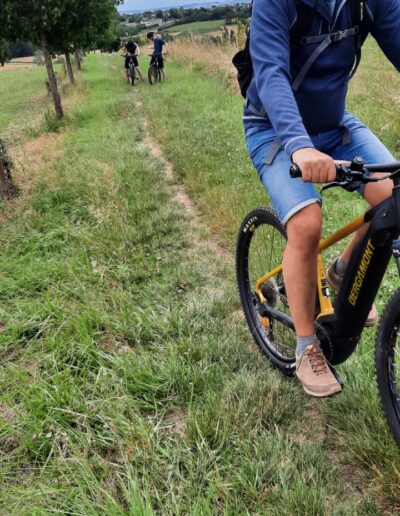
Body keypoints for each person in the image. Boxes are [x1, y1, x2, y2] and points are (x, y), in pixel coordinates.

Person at [244, 0, 400, 397]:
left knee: (394, 196)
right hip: (275, 130)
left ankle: (344, 269)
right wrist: (299, 145)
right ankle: (306, 346)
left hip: (334, 126)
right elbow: (272, 73)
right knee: (306, 223)